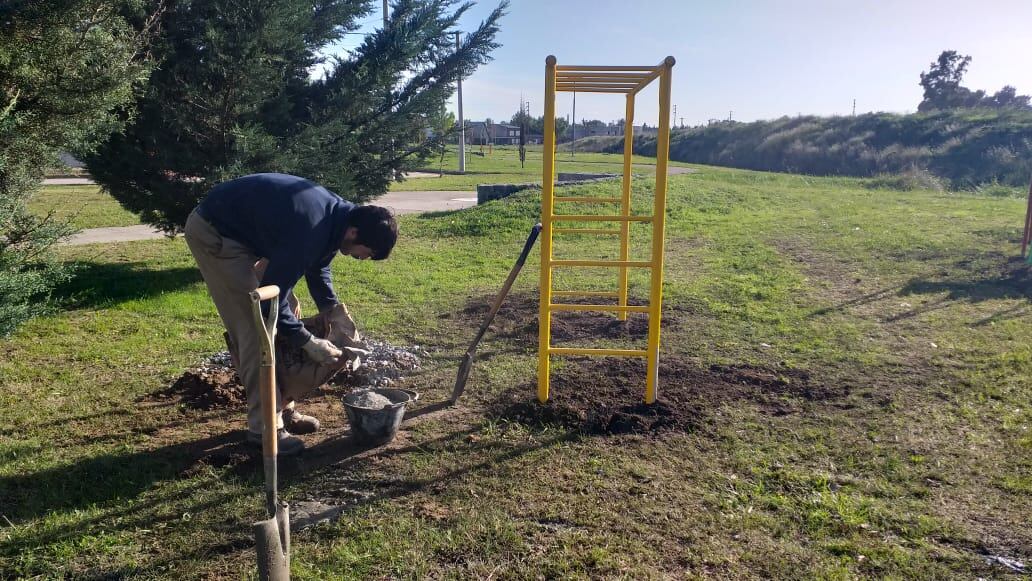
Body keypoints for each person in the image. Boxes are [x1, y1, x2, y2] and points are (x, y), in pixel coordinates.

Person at [184, 173, 397, 455]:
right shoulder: (311, 229)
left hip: (250, 234)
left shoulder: (338, 218)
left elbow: (318, 267)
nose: (363, 258)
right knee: (257, 330)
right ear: (355, 234)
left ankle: (283, 409)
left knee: (289, 310)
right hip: (216, 234)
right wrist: (309, 343)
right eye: (366, 253)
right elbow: (268, 303)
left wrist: (331, 312)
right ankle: (265, 430)